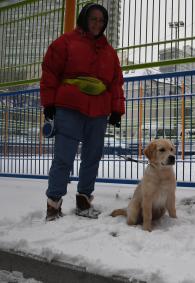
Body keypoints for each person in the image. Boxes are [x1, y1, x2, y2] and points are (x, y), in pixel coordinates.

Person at [40, 3, 125, 221]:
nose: (97, 24)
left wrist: (116, 109)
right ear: (84, 19)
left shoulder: (109, 52)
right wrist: (49, 103)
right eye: (93, 19)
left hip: (98, 110)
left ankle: (84, 200)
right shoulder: (65, 42)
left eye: (101, 20)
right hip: (70, 108)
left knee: (92, 156)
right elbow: (50, 72)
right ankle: (53, 204)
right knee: (63, 157)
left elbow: (116, 82)